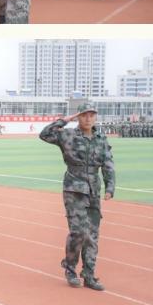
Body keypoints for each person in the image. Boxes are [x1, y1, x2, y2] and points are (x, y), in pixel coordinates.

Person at [39, 106, 115, 291]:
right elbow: (44, 134)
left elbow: (108, 164)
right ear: (78, 117)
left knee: (92, 236)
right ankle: (70, 269)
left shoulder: (101, 139)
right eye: (84, 115)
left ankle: (89, 274)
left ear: (95, 117)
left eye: (91, 115)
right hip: (74, 189)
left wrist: (110, 187)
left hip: (93, 190)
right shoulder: (67, 135)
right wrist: (65, 120)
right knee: (78, 232)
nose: (88, 119)